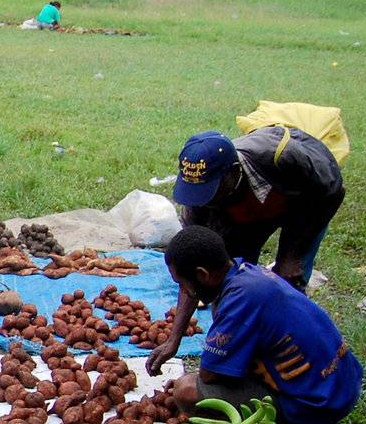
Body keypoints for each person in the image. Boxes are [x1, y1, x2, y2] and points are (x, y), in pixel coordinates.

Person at [147, 128, 345, 375]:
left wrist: (293, 254)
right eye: (198, 194)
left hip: (301, 203)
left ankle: (295, 363)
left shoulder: (284, 158)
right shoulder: (200, 203)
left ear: (234, 173)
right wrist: (173, 340)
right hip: (243, 216)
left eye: (211, 191)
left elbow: (332, 191)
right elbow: (191, 275)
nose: (204, 201)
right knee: (231, 288)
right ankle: (235, 357)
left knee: (289, 280)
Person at [161, 226, 362, 424]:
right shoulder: (246, 273)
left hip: (315, 407)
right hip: (340, 387)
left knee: (187, 391)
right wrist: (174, 341)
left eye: (182, 283)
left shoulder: (240, 301)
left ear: (202, 275)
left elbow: (209, 376)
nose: (185, 290)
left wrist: (198, 381)